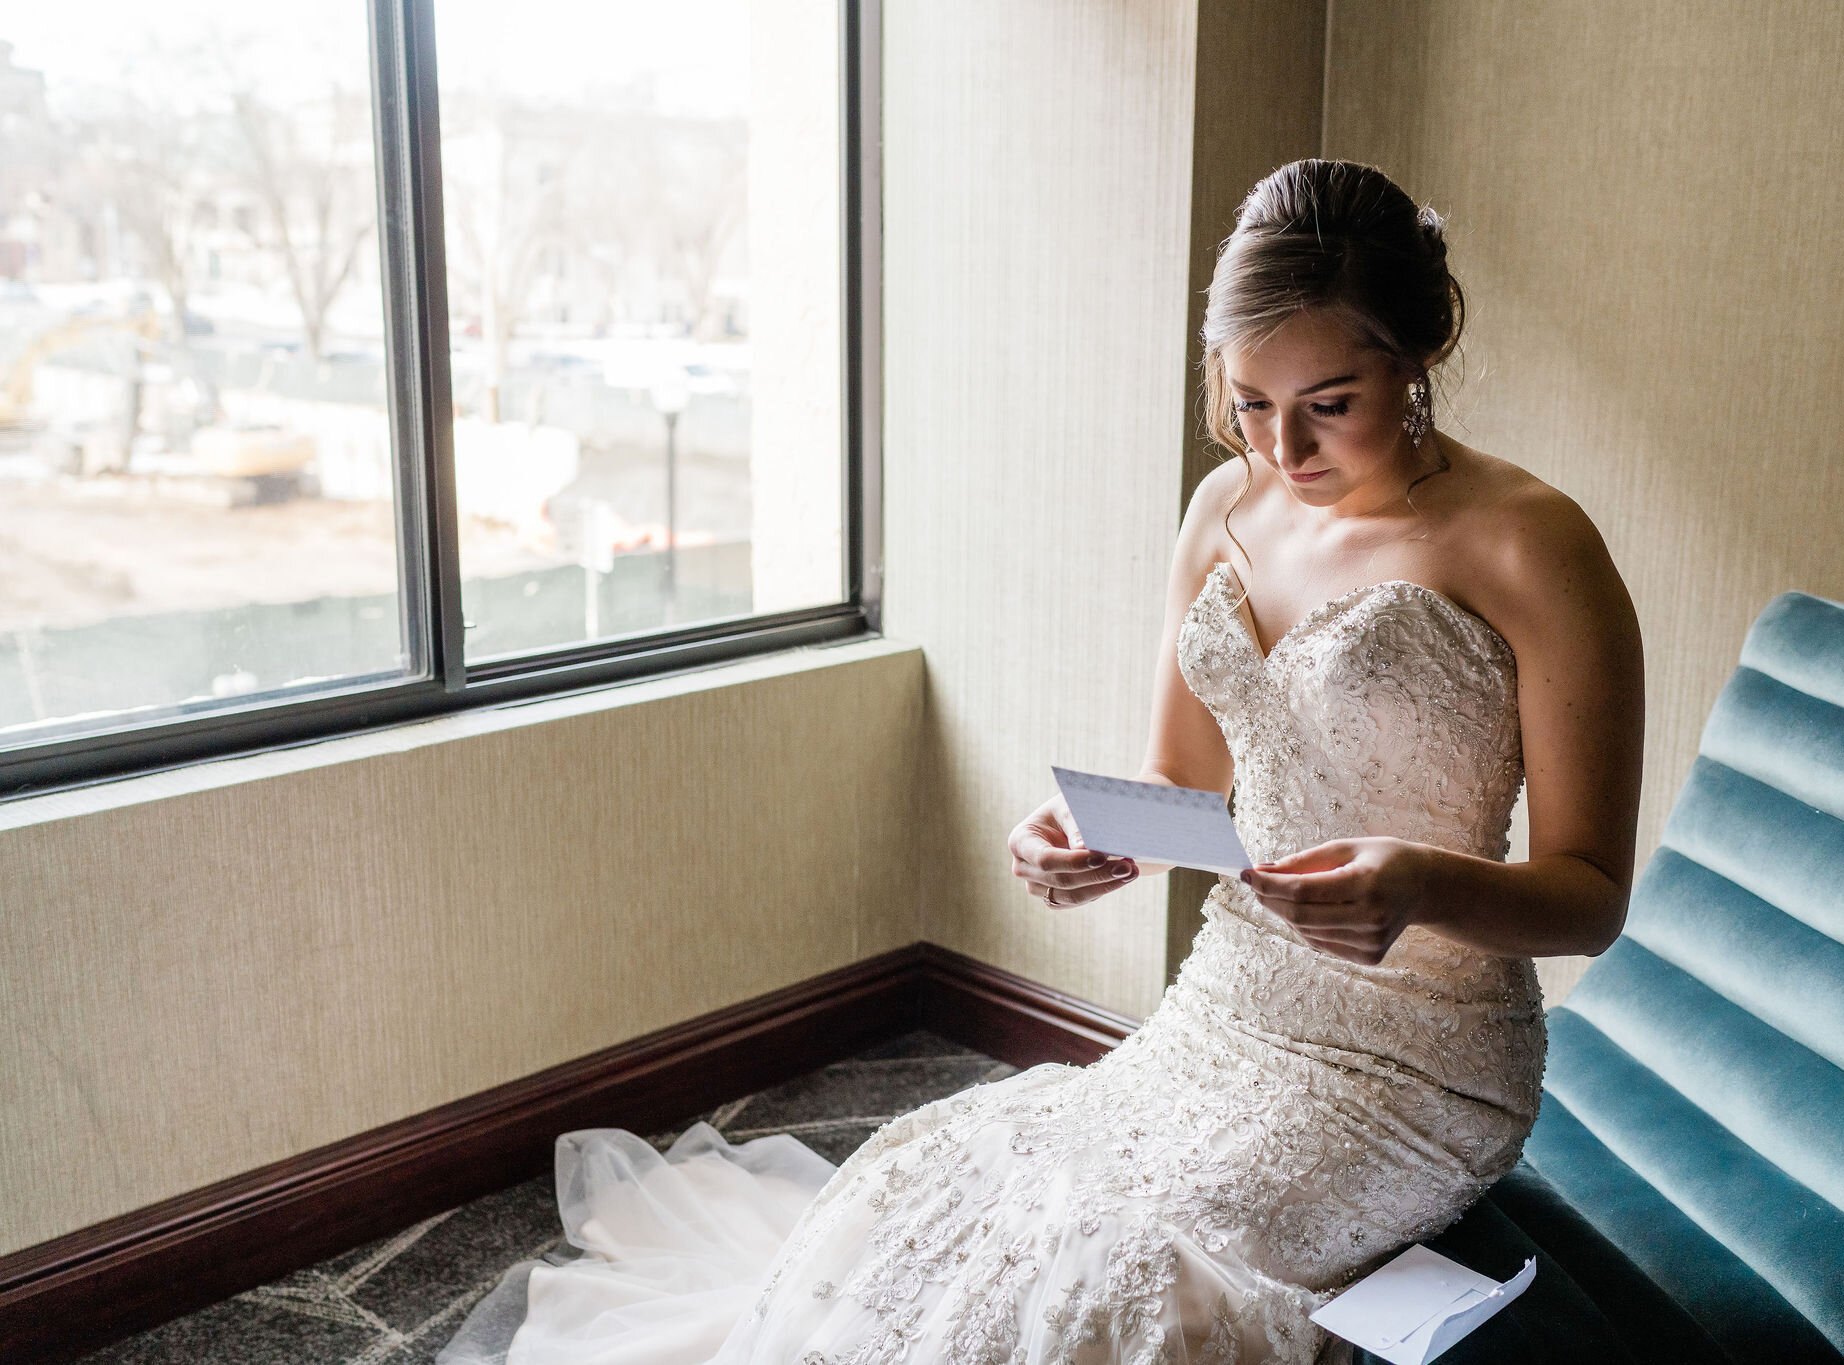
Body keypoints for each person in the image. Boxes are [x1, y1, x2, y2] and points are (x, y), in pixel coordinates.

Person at [437, 157, 1645, 1365]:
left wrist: (1421, 882)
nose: (1283, 446)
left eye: (1328, 403)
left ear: (1415, 356)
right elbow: (1181, 779)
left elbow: (1590, 895)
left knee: (1120, 1281)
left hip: (1416, 1071)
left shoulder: (1528, 545)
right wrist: (1086, 837)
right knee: (954, 1201)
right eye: (1250, 402)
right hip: (1224, 1009)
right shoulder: (1223, 508)